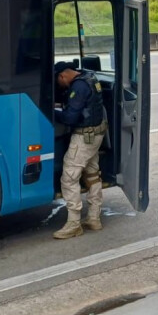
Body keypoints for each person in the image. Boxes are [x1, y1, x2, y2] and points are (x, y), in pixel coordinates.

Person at [52, 62, 108, 239]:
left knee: (69, 177)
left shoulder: (78, 86)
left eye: (59, 82)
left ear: (62, 76)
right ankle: (94, 218)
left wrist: (52, 111)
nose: (60, 86)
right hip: (97, 134)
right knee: (92, 174)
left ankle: (74, 224)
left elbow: (70, 117)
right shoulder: (89, 77)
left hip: (84, 137)